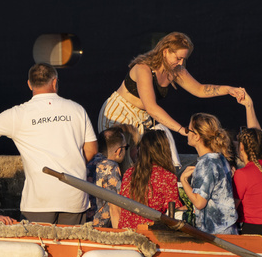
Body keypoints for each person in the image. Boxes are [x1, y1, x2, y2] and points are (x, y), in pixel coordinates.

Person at [0, 63, 97, 225]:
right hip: (73, 196)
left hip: (39, 201)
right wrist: (72, 166)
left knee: (37, 248)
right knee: (70, 247)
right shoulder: (76, 110)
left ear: (29, 84)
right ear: (55, 82)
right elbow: (92, 149)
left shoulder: (19, 114)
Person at [98, 32, 250, 161]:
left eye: (184, 59)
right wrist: (181, 130)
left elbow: (200, 89)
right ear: (165, 51)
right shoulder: (143, 68)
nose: (181, 62)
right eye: (178, 58)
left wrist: (228, 89)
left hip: (141, 118)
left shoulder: (176, 69)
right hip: (119, 114)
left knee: (140, 164)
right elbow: (151, 108)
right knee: (117, 162)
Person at [179, 113, 238, 235]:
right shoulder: (220, 159)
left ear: (197, 136)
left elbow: (199, 202)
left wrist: (184, 180)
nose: (186, 133)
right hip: (228, 228)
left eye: (188, 130)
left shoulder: (206, 163)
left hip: (216, 232)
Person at [113, 129, 180, 231]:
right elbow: (174, 211)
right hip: (151, 236)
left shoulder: (129, 173)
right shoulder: (167, 177)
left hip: (125, 234)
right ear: (164, 150)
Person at [85, 126, 128, 228]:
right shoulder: (110, 166)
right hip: (100, 229)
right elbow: (115, 207)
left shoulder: (87, 160)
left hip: (81, 224)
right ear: (118, 151)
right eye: (126, 147)